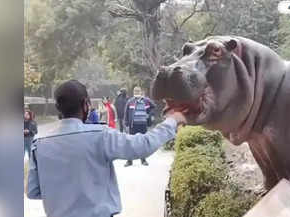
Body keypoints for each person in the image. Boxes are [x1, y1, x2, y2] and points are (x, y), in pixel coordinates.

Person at [27, 80, 187, 217]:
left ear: (58, 107)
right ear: (85, 105)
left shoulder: (39, 144)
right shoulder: (100, 136)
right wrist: (172, 121)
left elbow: (33, 191)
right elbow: (142, 146)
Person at [123, 86, 156, 167]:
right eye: (135, 91)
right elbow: (126, 112)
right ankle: (129, 160)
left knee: (143, 142)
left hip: (143, 125)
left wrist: (149, 115)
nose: (137, 92)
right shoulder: (130, 101)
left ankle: (143, 160)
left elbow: (154, 106)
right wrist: (126, 123)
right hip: (133, 125)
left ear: (141, 92)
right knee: (131, 143)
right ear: (133, 92)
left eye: (138, 91)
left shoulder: (146, 100)